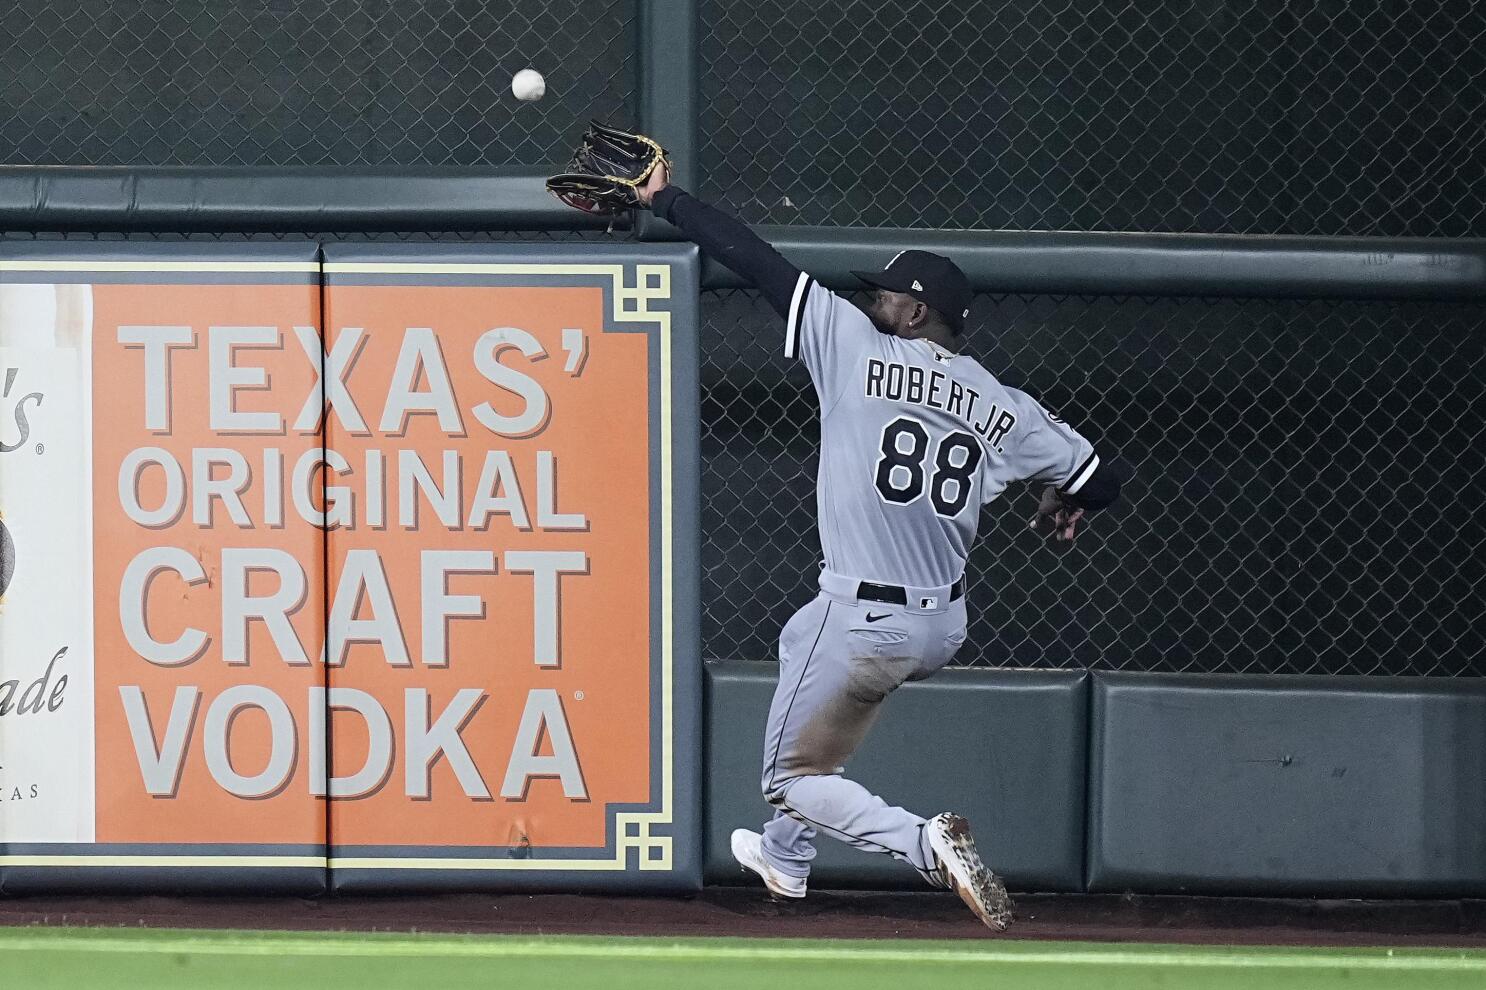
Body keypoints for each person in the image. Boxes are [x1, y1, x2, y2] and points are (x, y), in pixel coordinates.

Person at [638, 164, 1121, 931]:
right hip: (941, 626)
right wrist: (1061, 496)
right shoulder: (1005, 405)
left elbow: (755, 259)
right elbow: (1101, 478)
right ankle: (786, 859)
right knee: (802, 644)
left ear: (915, 312)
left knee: (790, 774)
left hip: (864, 617)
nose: (874, 299)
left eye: (888, 293)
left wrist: (665, 199)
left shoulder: (855, 344)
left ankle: (925, 845)